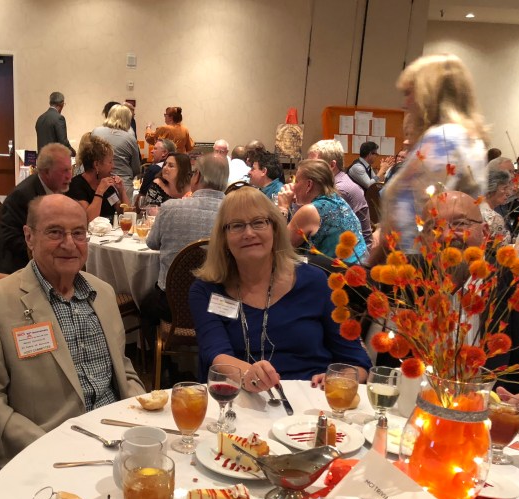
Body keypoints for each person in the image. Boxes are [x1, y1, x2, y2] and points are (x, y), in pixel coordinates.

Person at [0, 195, 145, 487]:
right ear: (29, 237)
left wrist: (140, 417)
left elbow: (123, 368)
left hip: (117, 445)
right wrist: (48, 449)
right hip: (43, 459)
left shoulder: (104, 293)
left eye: (78, 233)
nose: (69, 244)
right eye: (55, 232)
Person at [188, 186, 370, 390]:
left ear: (275, 229)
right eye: (237, 226)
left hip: (312, 397)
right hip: (240, 397)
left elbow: (357, 361)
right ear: (223, 238)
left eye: (258, 222)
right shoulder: (207, 290)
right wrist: (249, 374)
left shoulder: (315, 282)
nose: (249, 233)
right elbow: (215, 353)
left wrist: (340, 379)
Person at [423, 191, 519, 394]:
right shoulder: (409, 284)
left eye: (460, 224)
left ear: (485, 233)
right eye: (434, 228)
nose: (446, 236)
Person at [373, 53, 488, 262]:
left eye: (409, 93)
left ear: (428, 94)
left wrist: (372, 265)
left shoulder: (443, 139)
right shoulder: (469, 139)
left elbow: (423, 218)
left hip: (414, 267)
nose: (405, 103)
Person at [142, 154, 228, 327]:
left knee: (145, 305)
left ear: (197, 176)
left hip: (171, 304)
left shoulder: (170, 208)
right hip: (218, 305)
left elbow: (151, 243)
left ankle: (162, 344)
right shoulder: (235, 212)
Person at [0, 143, 72, 274]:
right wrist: (49, 250)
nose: (69, 176)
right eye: (64, 171)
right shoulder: (22, 196)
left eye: (70, 169)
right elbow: (11, 238)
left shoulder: (59, 188)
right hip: (19, 266)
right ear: (46, 172)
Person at [284, 159, 368, 263]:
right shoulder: (337, 200)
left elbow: (280, 247)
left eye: (297, 181)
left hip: (341, 271)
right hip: (361, 267)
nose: (293, 186)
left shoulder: (310, 211)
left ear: (309, 185)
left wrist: (283, 207)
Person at [308, 139, 373, 247]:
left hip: (355, 253)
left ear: (332, 165)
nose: (308, 169)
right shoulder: (338, 181)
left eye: (313, 164)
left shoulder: (340, 189)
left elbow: (308, 221)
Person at [66, 134, 126, 222]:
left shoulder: (106, 184)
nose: (113, 166)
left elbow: (124, 214)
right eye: (110, 162)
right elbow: (88, 219)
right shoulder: (76, 185)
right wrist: (100, 191)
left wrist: (122, 190)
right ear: (96, 164)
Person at [92, 104, 141, 202]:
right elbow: (136, 168)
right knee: (124, 210)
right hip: (123, 184)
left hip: (99, 181)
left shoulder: (95, 132)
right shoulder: (130, 138)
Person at [479, 168, 513, 246]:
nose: (508, 193)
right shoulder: (494, 218)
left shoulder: (472, 207)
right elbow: (500, 250)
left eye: (508, 188)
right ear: (490, 190)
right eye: (504, 188)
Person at [35, 91, 75, 156]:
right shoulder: (59, 118)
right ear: (61, 104)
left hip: (41, 159)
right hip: (54, 159)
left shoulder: (40, 118)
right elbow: (63, 142)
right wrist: (73, 153)